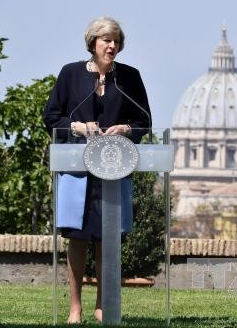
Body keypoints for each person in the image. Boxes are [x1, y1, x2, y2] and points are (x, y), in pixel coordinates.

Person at [43, 17, 151, 324]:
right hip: (76, 168)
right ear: (93, 43)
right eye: (106, 40)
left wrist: (126, 128)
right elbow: (51, 118)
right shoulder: (71, 74)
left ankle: (103, 304)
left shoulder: (129, 78)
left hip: (114, 167)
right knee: (76, 237)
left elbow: (145, 121)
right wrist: (76, 126)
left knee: (108, 237)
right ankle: (75, 307)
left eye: (116, 41)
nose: (112, 46)